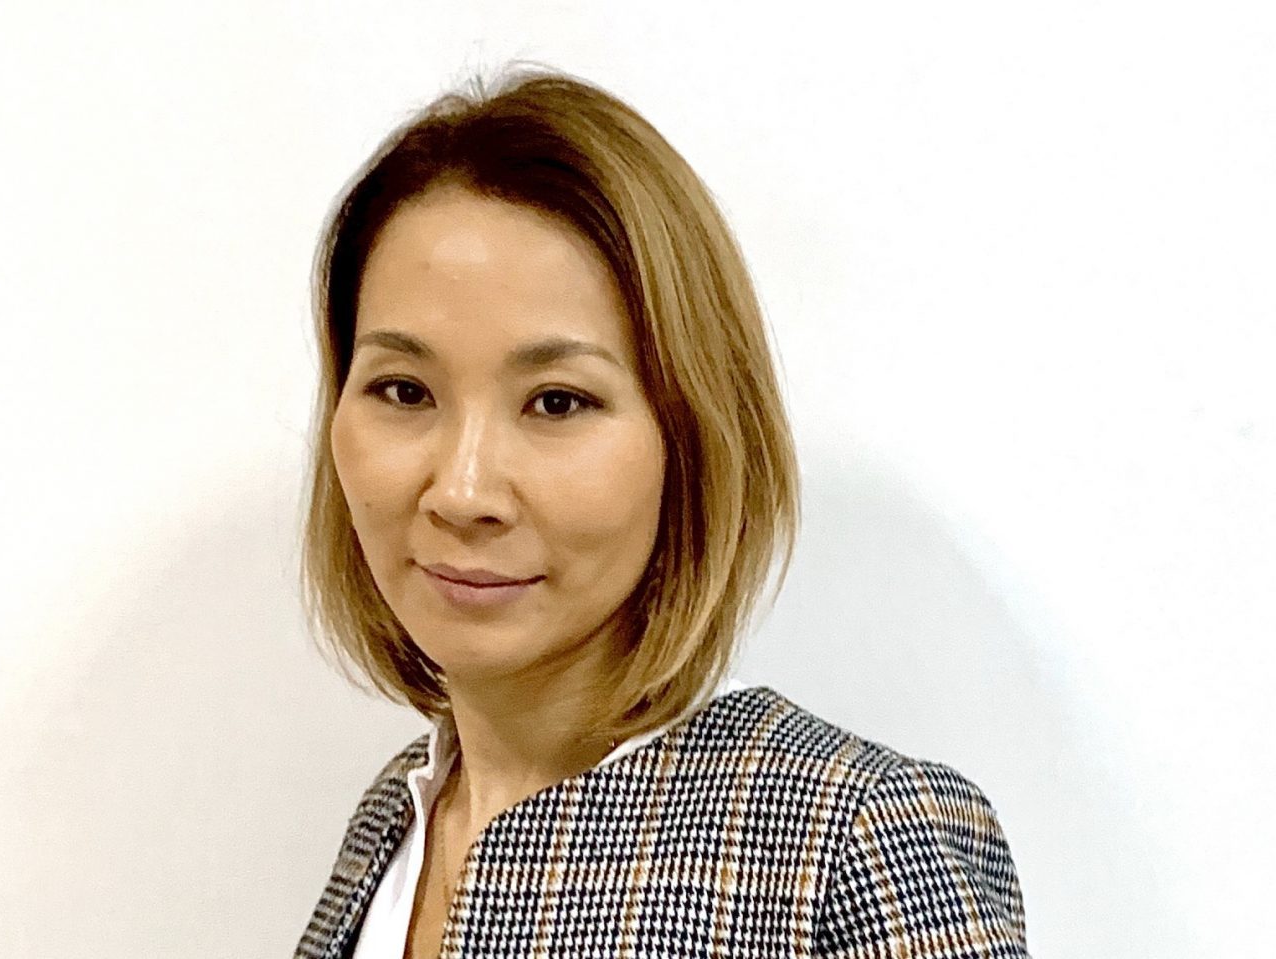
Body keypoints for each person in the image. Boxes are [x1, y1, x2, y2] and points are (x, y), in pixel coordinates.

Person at [293, 65, 1029, 959]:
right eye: (404, 390)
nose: (463, 491)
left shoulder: (851, 845)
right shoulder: (394, 818)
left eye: (558, 401)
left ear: (691, 438)